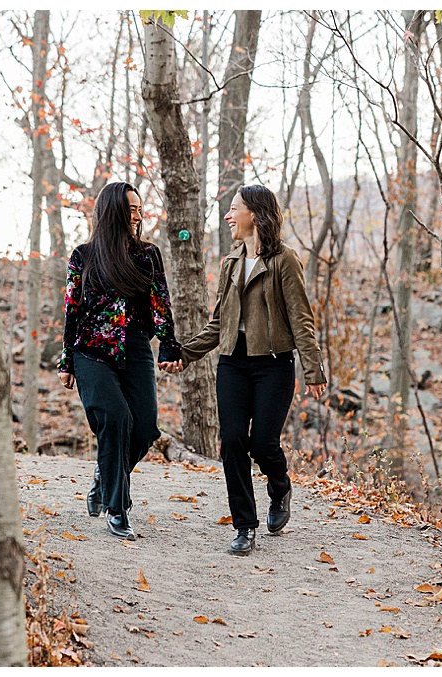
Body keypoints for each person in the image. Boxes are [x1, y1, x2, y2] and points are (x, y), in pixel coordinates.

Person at [175, 185, 326, 556]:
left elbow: (301, 319)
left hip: (274, 364)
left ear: (255, 214)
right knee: (232, 442)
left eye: (233, 209)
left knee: (263, 443)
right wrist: (185, 353)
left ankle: (280, 487)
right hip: (232, 363)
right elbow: (218, 324)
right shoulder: (229, 263)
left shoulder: (284, 261)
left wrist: (314, 369)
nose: (228, 216)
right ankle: (244, 526)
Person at [58, 182, 182, 540]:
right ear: (112, 211)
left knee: (144, 428)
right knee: (115, 418)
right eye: (131, 209)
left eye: (140, 209)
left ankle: (105, 474)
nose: (138, 216)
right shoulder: (83, 256)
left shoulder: (148, 255)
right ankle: (117, 508)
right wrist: (66, 359)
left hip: (136, 348)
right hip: (91, 352)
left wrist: (169, 346)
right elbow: (72, 310)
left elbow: (161, 304)